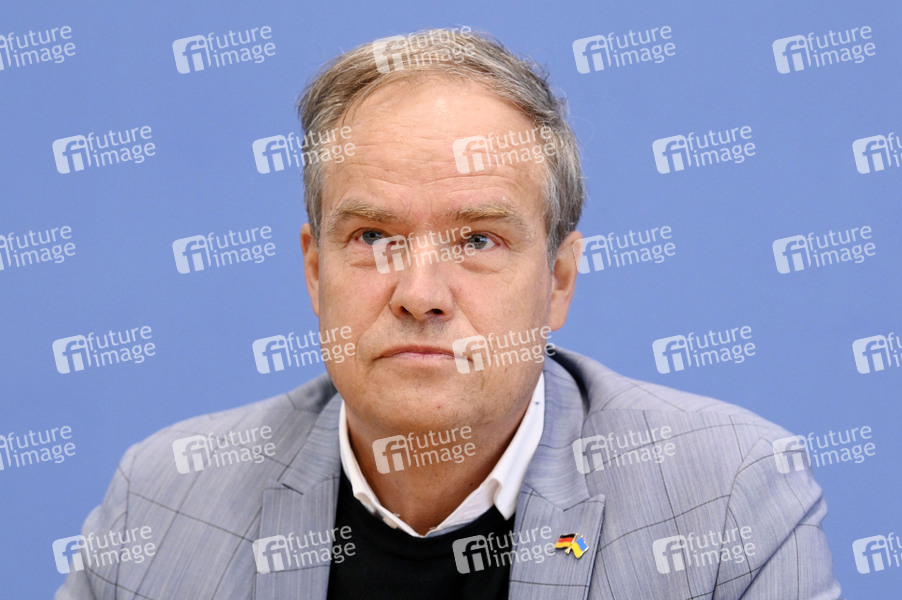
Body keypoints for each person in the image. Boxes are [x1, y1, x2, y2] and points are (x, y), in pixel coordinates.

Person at [57, 29, 842, 599]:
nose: (419, 292)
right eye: (373, 237)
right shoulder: (162, 503)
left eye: (477, 240)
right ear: (315, 271)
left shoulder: (727, 498)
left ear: (558, 280)